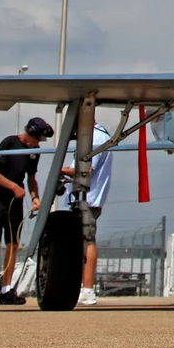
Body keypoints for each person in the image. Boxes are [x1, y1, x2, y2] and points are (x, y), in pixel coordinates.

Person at [0, 116, 51, 306]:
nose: (39, 142)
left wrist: (35, 197)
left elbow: (31, 178)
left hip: (16, 200)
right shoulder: (10, 143)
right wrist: (12, 186)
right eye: (38, 138)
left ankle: (6, 289)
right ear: (31, 133)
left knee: (13, 244)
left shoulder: (35, 151)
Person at [59, 122, 114, 306]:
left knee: (87, 241)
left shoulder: (96, 139)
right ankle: (84, 286)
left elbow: (86, 170)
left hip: (88, 199)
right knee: (82, 241)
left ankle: (88, 288)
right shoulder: (97, 137)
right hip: (86, 198)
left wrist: (59, 170)